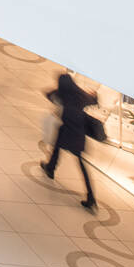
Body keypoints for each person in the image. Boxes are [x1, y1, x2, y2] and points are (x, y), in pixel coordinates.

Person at [39, 72, 100, 211]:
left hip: (67, 132)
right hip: (77, 134)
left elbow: (48, 94)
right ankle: (51, 168)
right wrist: (93, 95)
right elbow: (94, 100)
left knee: (60, 148)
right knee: (78, 162)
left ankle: (51, 168)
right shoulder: (81, 96)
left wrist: (57, 90)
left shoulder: (62, 96)